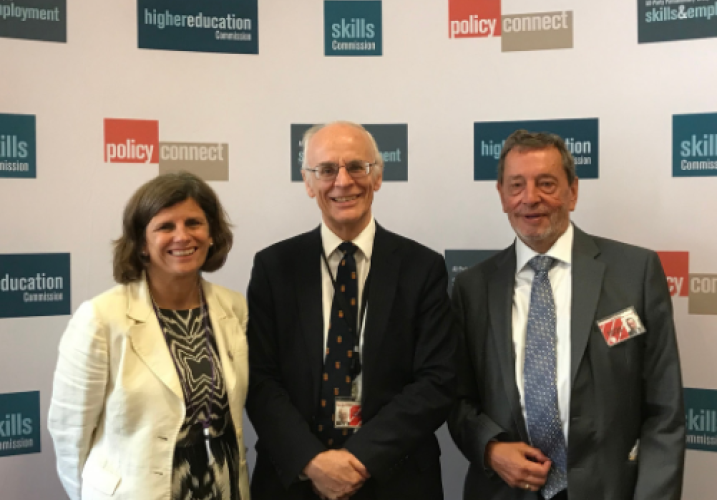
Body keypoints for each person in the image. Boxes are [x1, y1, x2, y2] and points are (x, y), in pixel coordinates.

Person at [447, 129, 685, 500]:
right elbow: (455, 398)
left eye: (546, 184)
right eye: (516, 186)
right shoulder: (472, 288)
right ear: (501, 196)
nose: (531, 198)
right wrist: (490, 449)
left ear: (572, 192)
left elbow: (665, 411)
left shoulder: (635, 272)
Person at [246, 121, 454, 500]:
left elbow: (437, 381)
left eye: (357, 167)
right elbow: (259, 379)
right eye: (326, 170)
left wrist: (358, 459)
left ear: (377, 176)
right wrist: (312, 460)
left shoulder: (422, 267)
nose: (343, 182)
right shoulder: (273, 267)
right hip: (293, 479)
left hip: (396, 478)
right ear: (308, 183)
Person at [48, 172, 250, 500]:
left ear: (212, 233)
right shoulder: (101, 318)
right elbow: (70, 436)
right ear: (142, 242)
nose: (182, 237)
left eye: (194, 223)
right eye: (165, 226)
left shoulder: (233, 308)